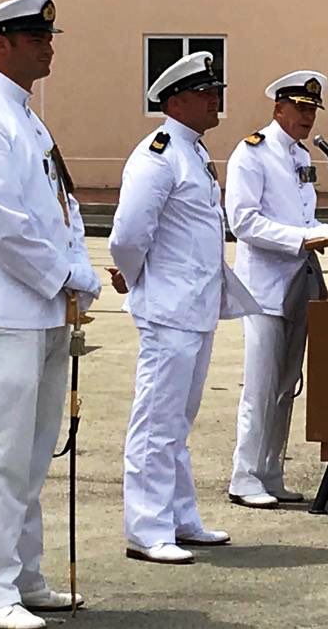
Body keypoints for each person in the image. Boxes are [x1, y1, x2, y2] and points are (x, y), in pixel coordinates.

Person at [0, 0, 101, 629]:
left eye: (50, 39)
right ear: (0, 44)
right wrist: (66, 275)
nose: (48, 49)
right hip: (6, 313)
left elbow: (60, 209)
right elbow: (0, 225)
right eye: (36, 39)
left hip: (45, 312)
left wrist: (75, 277)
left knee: (33, 458)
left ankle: (24, 576)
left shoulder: (28, 120)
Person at [109, 51, 259, 564]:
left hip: (195, 306)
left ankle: (179, 517)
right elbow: (129, 234)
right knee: (156, 421)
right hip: (168, 308)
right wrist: (134, 278)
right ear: (175, 102)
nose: (215, 100)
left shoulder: (192, 150)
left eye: (216, 92)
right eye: (205, 93)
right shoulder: (158, 155)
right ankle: (147, 529)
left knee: (178, 420)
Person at [224, 70, 328, 509]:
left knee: (285, 386)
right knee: (260, 387)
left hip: (299, 281)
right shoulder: (252, 153)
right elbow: (243, 222)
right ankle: (244, 475)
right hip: (262, 288)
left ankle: (271, 472)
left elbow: (303, 219)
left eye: (313, 109)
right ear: (278, 108)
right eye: (299, 108)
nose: (308, 117)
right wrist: (304, 238)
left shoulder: (301, 155)